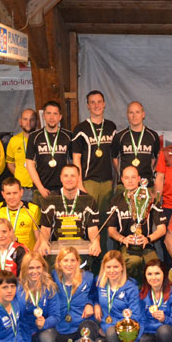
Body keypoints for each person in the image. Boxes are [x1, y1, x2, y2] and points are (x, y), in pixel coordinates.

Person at [72, 90, 117, 251]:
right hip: (88, 181)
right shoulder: (81, 128)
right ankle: (88, 258)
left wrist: (117, 180)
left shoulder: (111, 127)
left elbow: (115, 157)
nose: (96, 105)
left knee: (103, 221)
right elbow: (76, 158)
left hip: (107, 181)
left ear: (104, 104)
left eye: (99, 102)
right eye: (92, 102)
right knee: (88, 220)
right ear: (88, 106)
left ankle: (102, 256)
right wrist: (79, 184)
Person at [107, 166, 166, 281]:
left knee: (155, 267)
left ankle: (148, 291)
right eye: (126, 178)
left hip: (147, 246)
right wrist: (123, 239)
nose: (130, 181)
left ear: (139, 179)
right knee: (133, 261)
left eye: (133, 177)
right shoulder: (116, 201)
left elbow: (162, 229)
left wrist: (148, 239)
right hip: (126, 247)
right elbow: (111, 231)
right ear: (122, 180)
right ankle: (130, 288)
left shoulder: (150, 199)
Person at [93, 250, 144, 342]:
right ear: (104, 268)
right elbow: (93, 297)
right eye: (108, 267)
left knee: (111, 332)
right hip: (104, 331)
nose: (112, 270)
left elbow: (136, 317)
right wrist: (95, 304)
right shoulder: (100, 282)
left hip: (123, 334)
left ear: (122, 267)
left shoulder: (131, 288)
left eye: (115, 266)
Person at [52, 246, 100, 342]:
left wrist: (90, 303)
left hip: (83, 322)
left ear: (78, 262)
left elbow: (95, 294)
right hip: (63, 327)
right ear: (59, 263)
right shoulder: (53, 278)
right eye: (65, 260)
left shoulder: (88, 278)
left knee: (87, 330)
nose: (69, 264)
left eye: (73, 260)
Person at [38, 165, 101, 263]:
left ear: (78, 178)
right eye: (66, 176)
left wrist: (96, 241)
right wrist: (43, 242)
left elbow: (92, 229)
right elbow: (45, 229)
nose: (69, 179)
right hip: (56, 250)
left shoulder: (89, 200)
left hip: (81, 249)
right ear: (61, 178)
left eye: (73, 176)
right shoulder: (50, 200)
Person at [26, 102, 74, 211]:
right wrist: (40, 188)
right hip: (41, 189)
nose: (52, 117)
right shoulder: (34, 136)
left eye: (55, 114)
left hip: (63, 189)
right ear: (43, 116)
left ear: (60, 117)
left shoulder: (69, 136)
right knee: (40, 221)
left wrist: (69, 188)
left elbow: (74, 164)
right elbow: (30, 165)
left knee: (63, 220)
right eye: (48, 113)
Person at [18, 252, 60, 342]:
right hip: (23, 329)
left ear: (43, 268)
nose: (35, 271)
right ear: (24, 269)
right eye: (31, 268)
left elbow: (56, 316)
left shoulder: (50, 287)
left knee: (48, 340)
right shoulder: (17, 288)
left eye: (38, 267)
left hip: (43, 329)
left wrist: (45, 323)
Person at [111, 101, 161, 188]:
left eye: (137, 112)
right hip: (125, 185)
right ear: (127, 115)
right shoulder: (120, 136)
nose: (134, 116)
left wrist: (150, 171)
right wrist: (123, 174)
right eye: (131, 112)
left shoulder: (153, 136)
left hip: (146, 184)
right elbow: (114, 158)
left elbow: (156, 158)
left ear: (143, 114)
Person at [0, 177, 40, 251]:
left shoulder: (33, 209)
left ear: (21, 192)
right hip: (4, 254)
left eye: (15, 193)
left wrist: (32, 255)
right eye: (8, 193)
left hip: (26, 255)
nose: (12, 197)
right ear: (3, 194)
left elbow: (39, 238)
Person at [5, 107, 39, 203]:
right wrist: (20, 177)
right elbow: (10, 163)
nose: (28, 122)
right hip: (21, 189)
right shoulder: (13, 141)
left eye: (32, 119)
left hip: (39, 188)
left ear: (37, 122)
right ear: (20, 122)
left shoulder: (41, 139)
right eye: (25, 119)